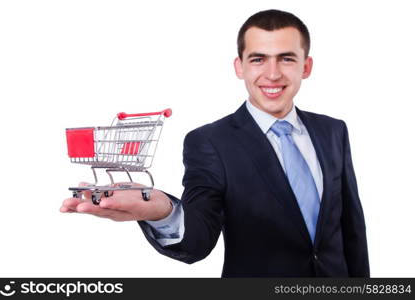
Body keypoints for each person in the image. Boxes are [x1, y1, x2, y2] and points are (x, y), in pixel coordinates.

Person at [60, 9, 370, 277]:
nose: (272, 74)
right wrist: (162, 212)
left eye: (286, 59)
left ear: (306, 66)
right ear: (240, 67)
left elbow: (351, 229)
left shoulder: (333, 131)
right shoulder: (210, 142)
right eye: (258, 59)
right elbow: (199, 237)